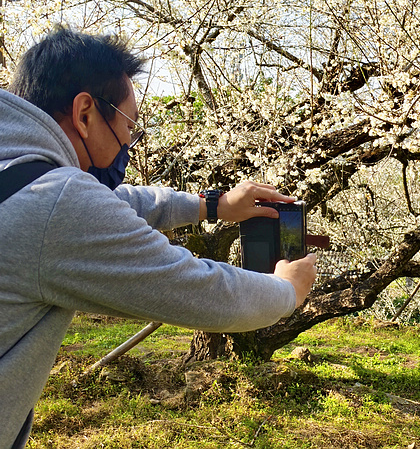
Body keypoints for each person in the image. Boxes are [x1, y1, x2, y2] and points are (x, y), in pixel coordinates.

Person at [0, 25, 317, 448]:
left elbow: (112, 202)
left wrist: (213, 205)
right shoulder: (56, 204)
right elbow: (193, 289)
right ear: (85, 114)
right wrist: (285, 291)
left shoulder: (20, 172)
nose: (128, 144)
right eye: (128, 126)